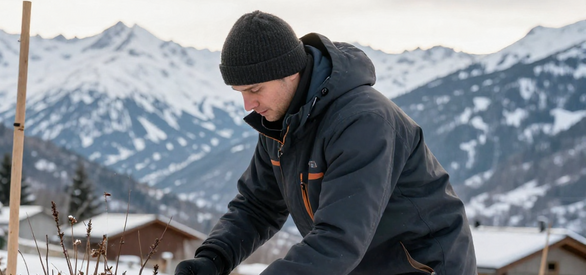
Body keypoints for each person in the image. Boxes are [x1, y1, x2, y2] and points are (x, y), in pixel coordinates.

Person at [175, 11, 476, 275]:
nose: (247, 104)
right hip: (359, 265)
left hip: (422, 265)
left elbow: (339, 239)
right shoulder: (281, 123)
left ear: (289, 72)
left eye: (254, 89)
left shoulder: (363, 122)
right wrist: (212, 259)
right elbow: (258, 206)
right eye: (239, 91)